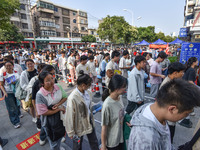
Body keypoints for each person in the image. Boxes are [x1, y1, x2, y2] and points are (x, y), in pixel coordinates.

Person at [128, 79, 200, 150]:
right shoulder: (145, 139)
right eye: (186, 113)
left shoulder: (156, 112)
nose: (186, 116)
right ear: (172, 109)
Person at [64, 70, 99, 150]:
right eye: (89, 85)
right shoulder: (73, 98)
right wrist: (70, 132)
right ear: (83, 85)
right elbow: (69, 115)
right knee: (77, 145)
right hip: (78, 124)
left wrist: (97, 107)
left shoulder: (88, 92)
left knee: (94, 141)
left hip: (88, 120)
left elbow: (89, 104)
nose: (90, 86)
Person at [36, 71, 67, 150]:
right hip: (49, 121)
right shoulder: (40, 95)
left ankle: (58, 147)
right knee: (53, 138)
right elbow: (43, 112)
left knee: (60, 134)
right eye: (47, 80)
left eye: (52, 78)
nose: (51, 81)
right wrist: (58, 109)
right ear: (42, 83)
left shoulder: (58, 86)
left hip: (61, 116)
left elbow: (64, 97)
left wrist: (58, 104)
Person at [159, 62, 186, 143]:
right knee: (168, 140)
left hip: (170, 119)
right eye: (181, 72)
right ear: (175, 73)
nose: (183, 74)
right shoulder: (167, 85)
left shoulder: (172, 81)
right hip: (168, 120)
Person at [101, 75, 127, 150]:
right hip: (112, 142)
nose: (125, 88)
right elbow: (104, 127)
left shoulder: (120, 97)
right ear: (116, 89)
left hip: (121, 137)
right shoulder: (107, 105)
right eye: (123, 86)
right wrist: (103, 145)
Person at [0, 61, 21, 128]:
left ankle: (18, 113)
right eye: (7, 66)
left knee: (17, 104)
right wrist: (5, 92)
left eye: (10, 65)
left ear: (13, 66)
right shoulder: (3, 75)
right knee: (11, 108)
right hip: (9, 93)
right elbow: (1, 85)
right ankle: (15, 122)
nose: (8, 67)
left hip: (16, 92)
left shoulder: (16, 73)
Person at [179, 57, 199, 128]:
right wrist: (197, 88)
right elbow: (190, 82)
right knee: (187, 105)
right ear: (193, 62)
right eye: (197, 61)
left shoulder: (187, 69)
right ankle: (184, 120)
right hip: (188, 89)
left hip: (184, 88)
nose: (198, 62)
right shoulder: (192, 70)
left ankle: (184, 118)